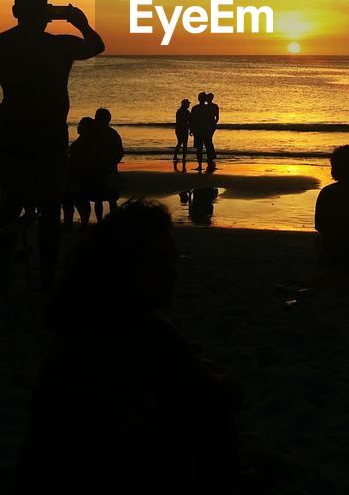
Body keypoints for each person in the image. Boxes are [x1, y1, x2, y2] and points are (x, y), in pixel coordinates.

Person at [17, 201, 239, 492]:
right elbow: (219, 396)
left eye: (174, 262)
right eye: (158, 263)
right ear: (123, 266)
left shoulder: (75, 326)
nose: (172, 274)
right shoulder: (146, 333)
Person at [0, 0, 105, 290]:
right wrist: (81, 23)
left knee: (11, 205)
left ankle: (0, 273)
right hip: (49, 133)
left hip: (13, 130)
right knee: (50, 210)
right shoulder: (60, 45)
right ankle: (47, 280)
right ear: (47, 14)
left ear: (15, 12)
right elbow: (96, 45)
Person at [93, 107, 124, 221]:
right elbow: (120, 152)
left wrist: (111, 162)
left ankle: (105, 221)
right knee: (103, 198)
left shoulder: (103, 134)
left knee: (105, 198)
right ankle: (104, 221)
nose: (95, 119)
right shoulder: (111, 133)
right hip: (103, 168)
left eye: (97, 117)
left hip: (106, 169)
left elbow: (119, 152)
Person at [65, 116, 96, 228]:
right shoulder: (87, 139)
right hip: (80, 173)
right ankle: (78, 223)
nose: (78, 127)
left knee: (76, 199)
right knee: (77, 199)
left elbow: (84, 159)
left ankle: (78, 223)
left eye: (80, 125)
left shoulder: (87, 140)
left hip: (79, 174)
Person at [173, 98, 191, 168]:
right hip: (183, 128)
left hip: (179, 128)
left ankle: (177, 156)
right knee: (183, 143)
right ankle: (182, 157)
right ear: (185, 104)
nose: (188, 105)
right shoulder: (185, 112)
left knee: (180, 142)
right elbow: (189, 121)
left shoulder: (179, 111)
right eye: (188, 104)